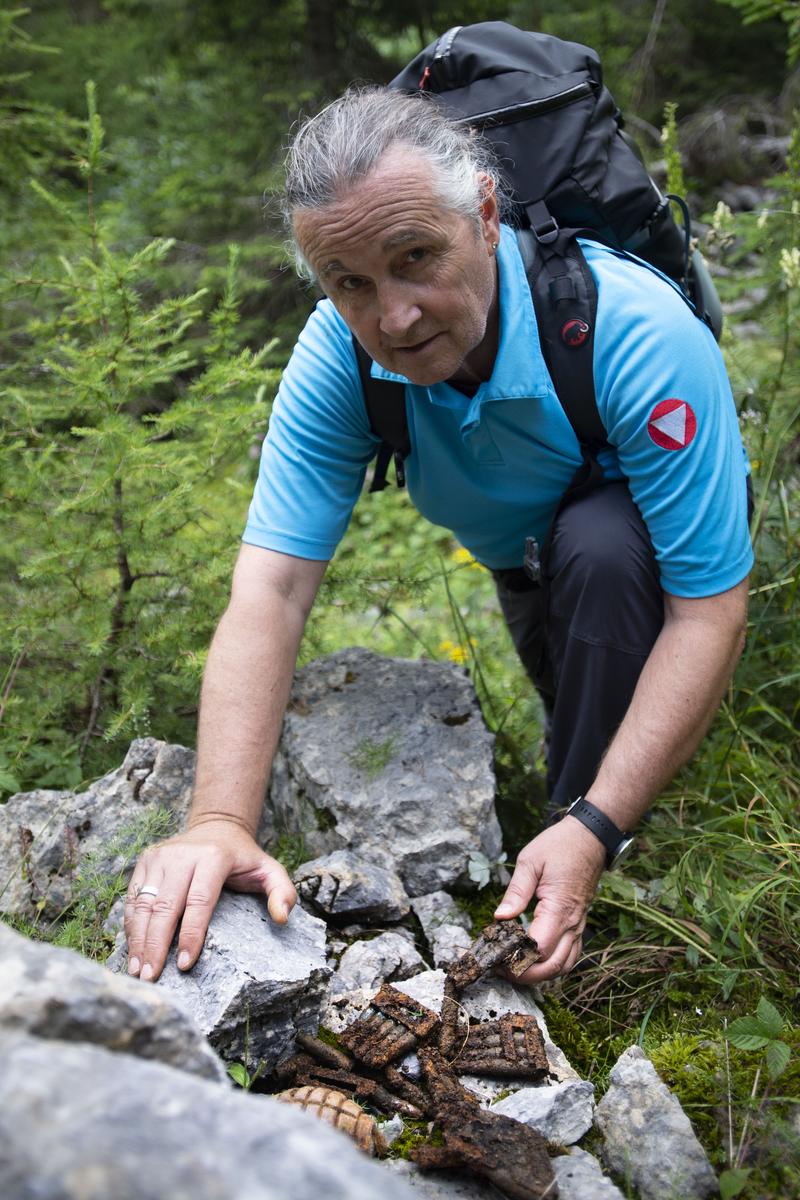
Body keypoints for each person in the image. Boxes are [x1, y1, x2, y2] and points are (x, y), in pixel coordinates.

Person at [124, 88, 752, 986]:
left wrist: (594, 825)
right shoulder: (342, 359)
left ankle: (583, 866)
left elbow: (708, 612)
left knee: (605, 556)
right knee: (570, 675)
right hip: (519, 559)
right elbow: (270, 590)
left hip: (637, 543)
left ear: (486, 215)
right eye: (351, 284)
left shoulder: (634, 331)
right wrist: (219, 819)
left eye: (416, 257)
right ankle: (574, 806)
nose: (396, 318)